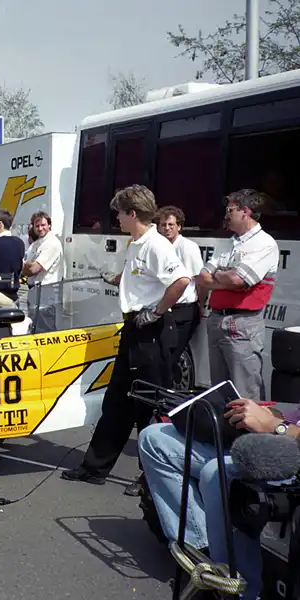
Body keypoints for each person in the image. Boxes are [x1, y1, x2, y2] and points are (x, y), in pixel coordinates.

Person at [62, 185, 190, 488]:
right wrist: (116, 279)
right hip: (134, 329)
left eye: (119, 213)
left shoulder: (156, 244)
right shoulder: (135, 243)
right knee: (117, 401)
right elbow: (140, 279)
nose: (116, 218)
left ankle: (153, 478)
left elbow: (181, 280)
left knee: (149, 405)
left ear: (133, 213)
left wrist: (157, 311)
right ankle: (94, 468)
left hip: (152, 331)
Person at [138, 397, 299, 600]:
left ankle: (240, 591)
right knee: (154, 439)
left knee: (216, 473)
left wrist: (276, 426)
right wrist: (256, 413)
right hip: (277, 438)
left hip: (291, 456)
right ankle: (203, 560)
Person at [195, 189, 279, 401]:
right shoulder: (230, 242)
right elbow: (203, 276)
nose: (226, 215)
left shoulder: (264, 243)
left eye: (230, 210)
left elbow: (239, 280)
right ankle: (224, 434)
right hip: (217, 320)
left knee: (245, 392)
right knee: (219, 391)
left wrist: (221, 276)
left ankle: (250, 434)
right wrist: (227, 278)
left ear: (246, 211)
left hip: (242, 325)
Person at [156, 205, 204, 373]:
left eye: (171, 224)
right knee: (161, 357)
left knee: (169, 358)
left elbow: (200, 279)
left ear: (179, 226)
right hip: (164, 308)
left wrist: (202, 305)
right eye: (163, 225)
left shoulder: (188, 247)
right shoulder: (159, 247)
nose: (166, 228)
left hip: (183, 311)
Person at [22, 211, 64, 332]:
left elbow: (33, 269)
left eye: (43, 225)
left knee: (45, 329)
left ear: (49, 225)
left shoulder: (52, 243)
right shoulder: (36, 244)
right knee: (34, 327)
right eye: (37, 226)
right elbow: (25, 269)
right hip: (34, 291)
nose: (40, 228)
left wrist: (27, 266)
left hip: (46, 291)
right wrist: (27, 266)